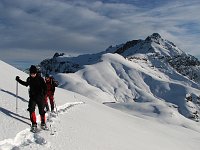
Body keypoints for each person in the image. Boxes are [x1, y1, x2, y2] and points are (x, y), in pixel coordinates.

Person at [16, 65, 47, 132]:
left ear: (36, 73)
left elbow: (45, 87)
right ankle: (34, 124)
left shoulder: (40, 79)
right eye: (31, 73)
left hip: (40, 97)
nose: (32, 75)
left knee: (41, 111)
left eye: (34, 73)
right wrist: (18, 80)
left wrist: (44, 94)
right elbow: (26, 84)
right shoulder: (29, 79)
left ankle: (43, 123)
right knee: (31, 109)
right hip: (32, 97)